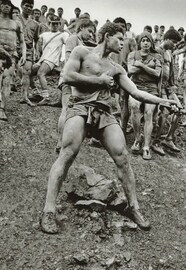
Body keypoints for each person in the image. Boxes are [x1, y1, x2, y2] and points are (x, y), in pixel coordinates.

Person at [40, 22, 178, 234]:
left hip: (104, 113)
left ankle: (134, 208)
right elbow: (67, 76)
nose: (123, 42)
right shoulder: (81, 52)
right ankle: (48, 211)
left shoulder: (117, 68)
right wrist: (99, 80)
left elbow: (137, 93)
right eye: (119, 38)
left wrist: (165, 101)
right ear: (107, 37)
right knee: (67, 153)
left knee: (123, 156)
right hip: (80, 107)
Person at [56, 19, 96, 152]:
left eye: (93, 33)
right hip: (69, 80)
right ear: (82, 27)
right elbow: (68, 60)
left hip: (77, 81)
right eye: (89, 31)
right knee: (66, 109)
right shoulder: (73, 39)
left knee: (72, 112)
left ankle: (66, 142)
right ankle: (60, 142)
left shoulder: (83, 43)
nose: (91, 35)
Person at [128, 31, 162, 160]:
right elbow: (130, 70)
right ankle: (137, 139)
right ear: (139, 42)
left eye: (148, 40)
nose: (146, 42)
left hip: (151, 89)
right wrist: (149, 68)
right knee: (135, 107)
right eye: (143, 40)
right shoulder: (132, 54)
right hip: (135, 87)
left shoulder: (157, 56)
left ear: (152, 43)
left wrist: (141, 65)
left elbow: (157, 74)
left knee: (149, 113)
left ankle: (146, 147)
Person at [151, 29, 183, 155]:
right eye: (173, 41)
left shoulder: (170, 53)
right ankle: (156, 141)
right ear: (166, 39)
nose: (175, 45)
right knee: (164, 111)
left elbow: (169, 72)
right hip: (158, 87)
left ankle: (168, 138)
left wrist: (172, 85)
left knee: (179, 110)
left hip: (167, 87)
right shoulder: (157, 50)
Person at [32, 15, 69, 105]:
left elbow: (69, 44)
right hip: (43, 58)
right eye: (53, 24)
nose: (55, 25)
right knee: (29, 72)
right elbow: (37, 41)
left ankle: (46, 97)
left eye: (57, 24)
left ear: (59, 24)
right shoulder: (44, 34)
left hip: (52, 59)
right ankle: (37, 92)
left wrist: (65, 59)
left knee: (40, 74)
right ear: (49, 24)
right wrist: (37, 52)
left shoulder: (63, 34)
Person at [0, 0, 26, 120]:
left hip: (11, 55)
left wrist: (24, 54)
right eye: (3, 4)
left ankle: (2, 109)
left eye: (8, 5)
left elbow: (22, 41)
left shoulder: (16, 23)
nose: (6, 6)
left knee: (6, 81)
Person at [18, 0, 39, 107]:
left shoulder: (35, 24)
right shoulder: (15, 18)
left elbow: (36, 40)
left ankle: (24, 96)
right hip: (15, 47)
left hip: (29, 49)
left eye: (31, 6)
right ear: (22, 6)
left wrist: (36, 52)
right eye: (26, 6)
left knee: (27, 72)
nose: (29, 8)